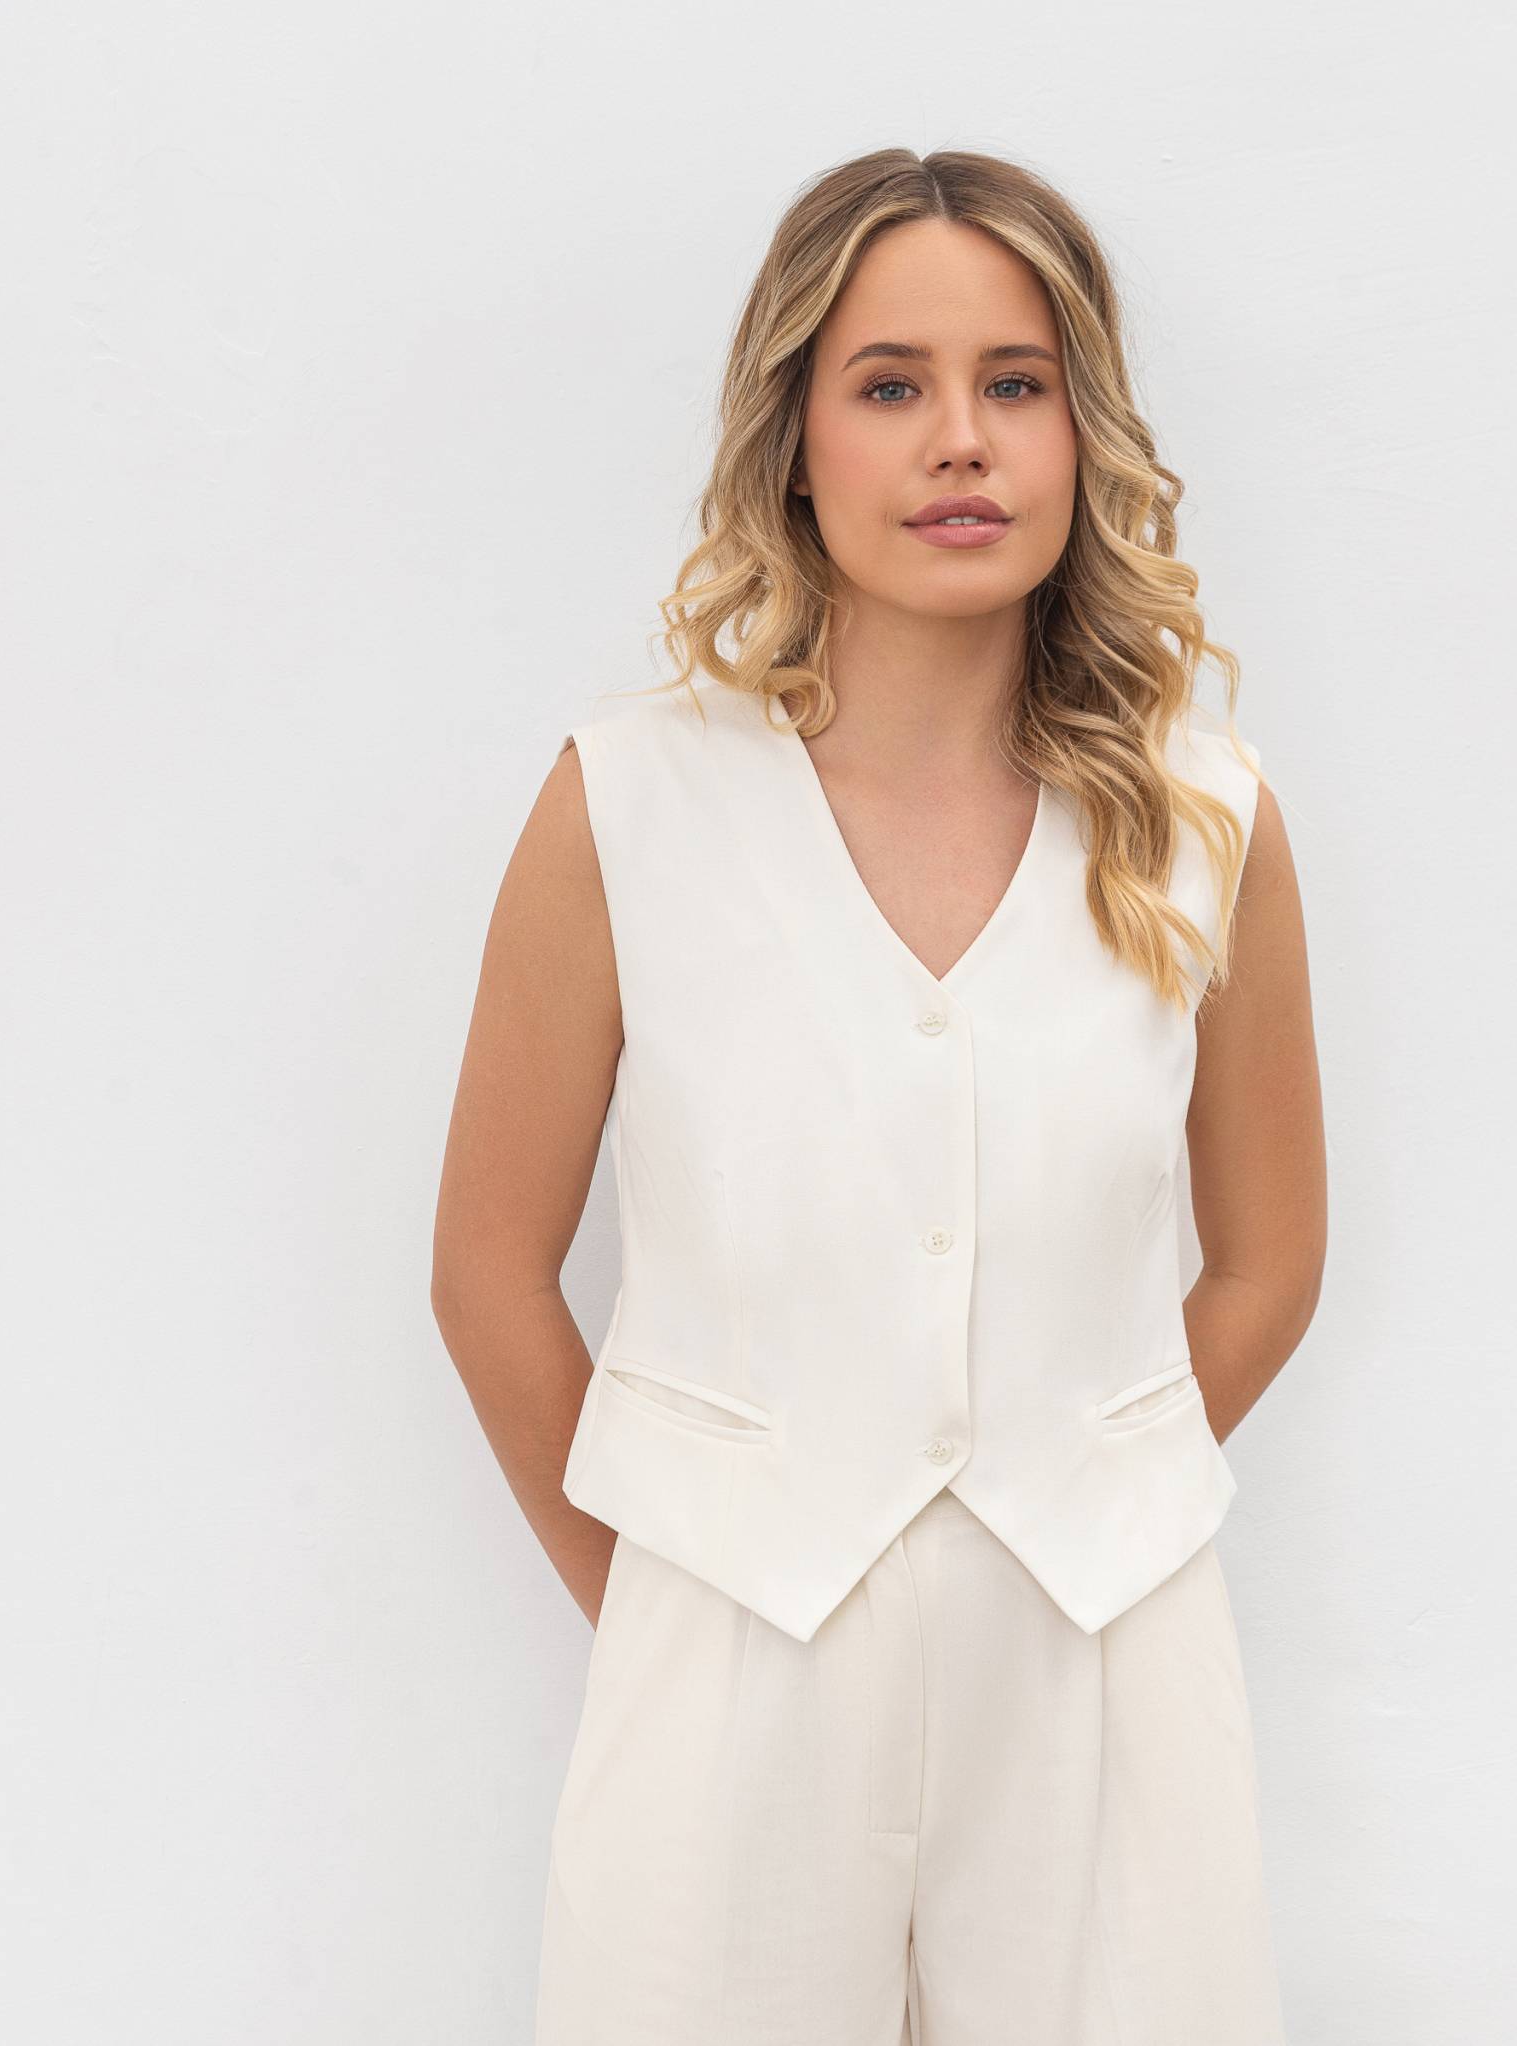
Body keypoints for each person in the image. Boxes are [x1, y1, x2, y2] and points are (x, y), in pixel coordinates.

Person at [431, 145, 1326, 2046]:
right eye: (892, 383)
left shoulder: (1204, 821)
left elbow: (1270, 1260)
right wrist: (678, 1592)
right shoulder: (629, 805)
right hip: (727, 1676)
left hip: (1108, 1667)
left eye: (1017, 382)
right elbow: (489, 1271)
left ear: (1082, 433)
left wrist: (1081, 1494)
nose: (961, 441)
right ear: (796, 438)